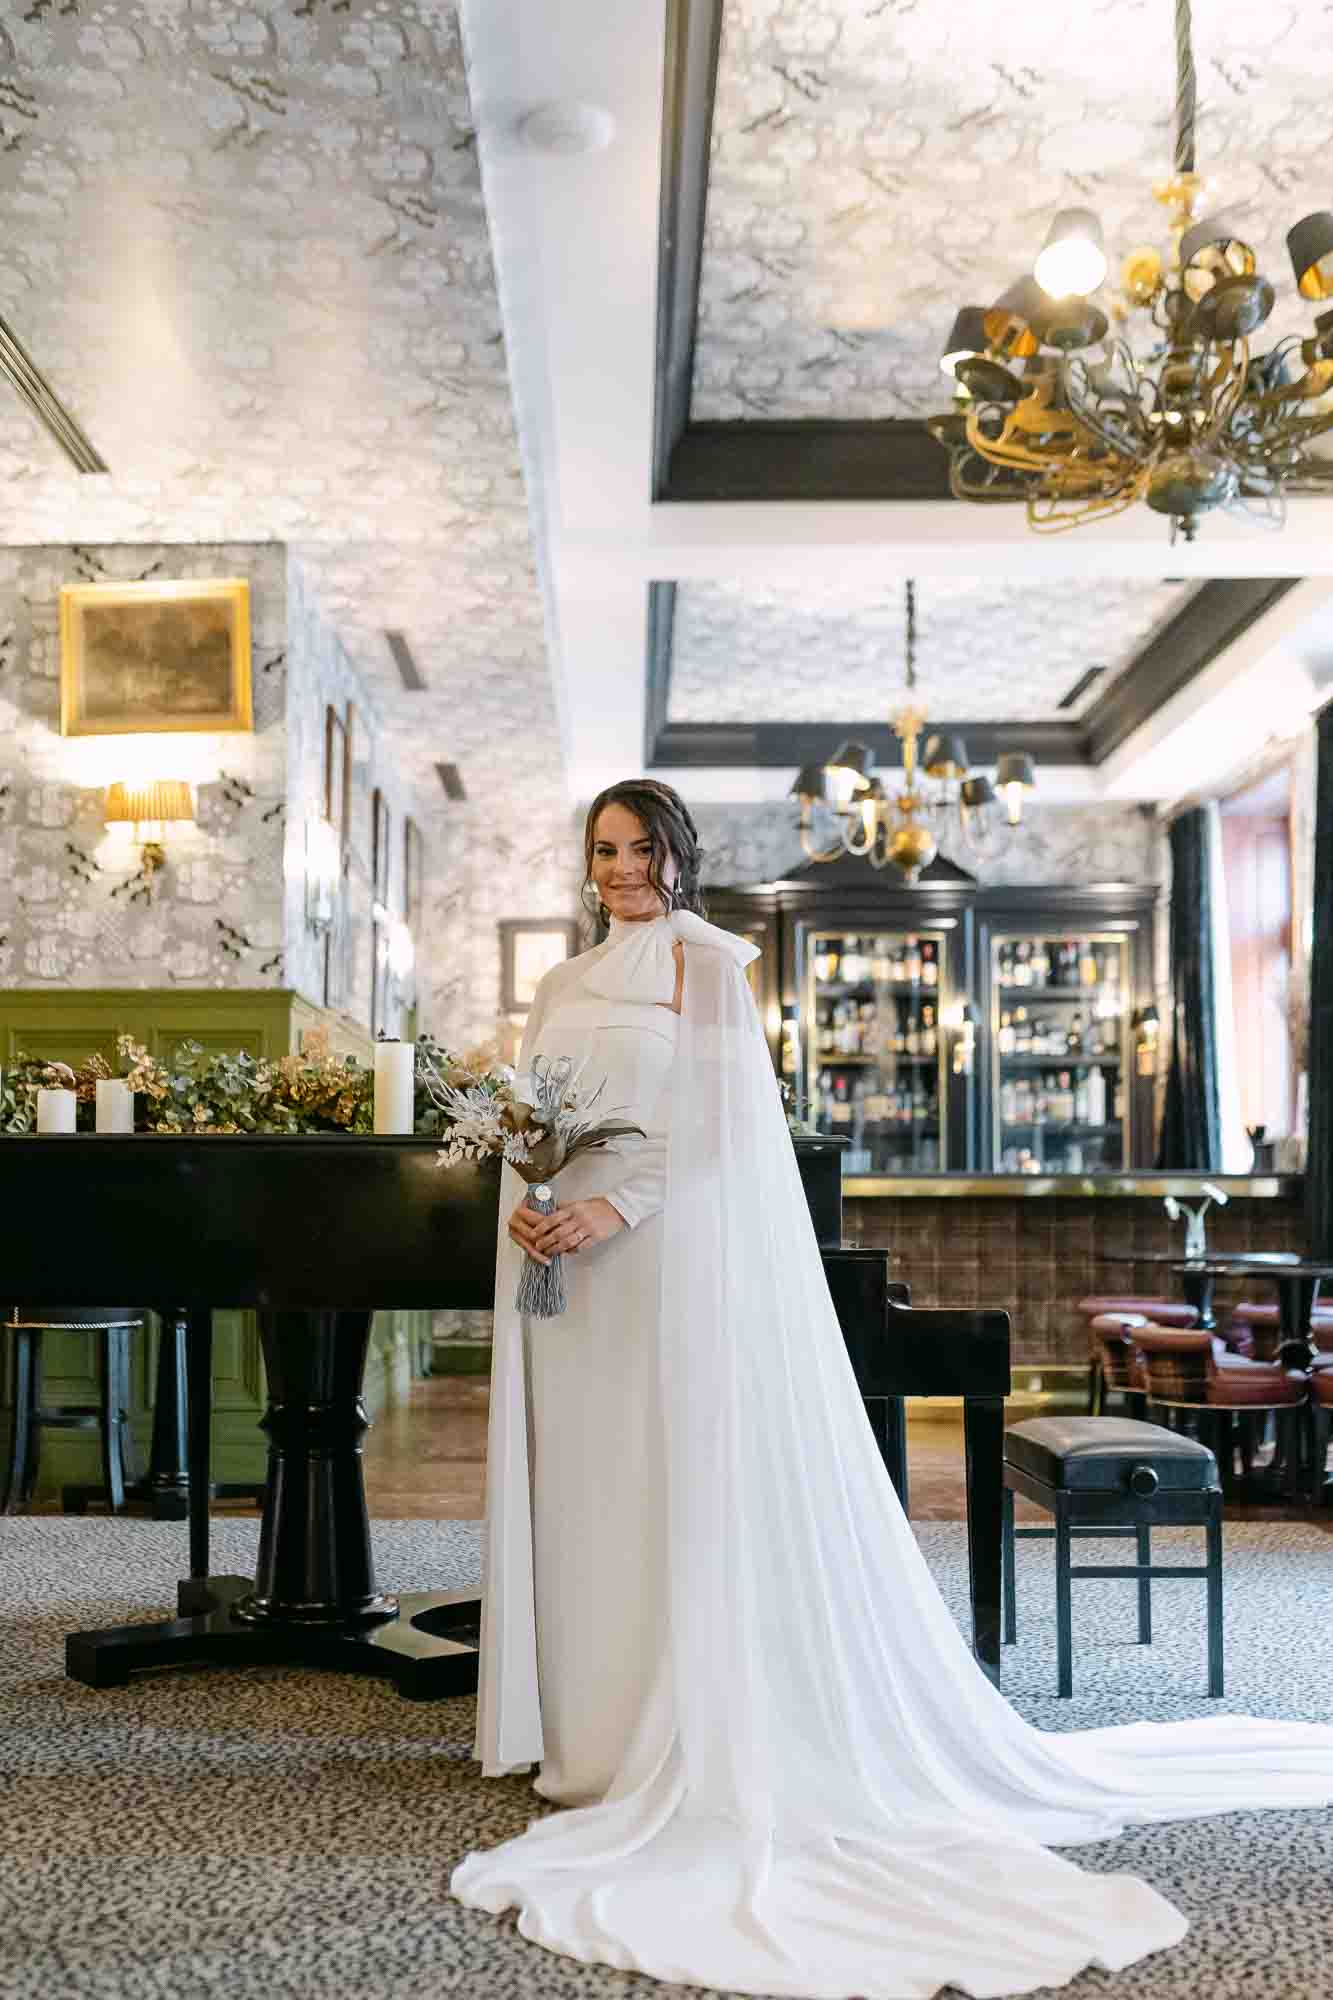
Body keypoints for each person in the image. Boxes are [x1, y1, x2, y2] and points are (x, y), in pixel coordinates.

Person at [451, 777, 1333, 1999]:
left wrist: (617, 1206)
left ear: (676, 853)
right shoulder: (558, 984)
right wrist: (536, 1202)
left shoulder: (707, 963)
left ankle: (671, 1729)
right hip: (566, 1275)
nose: (620, 867)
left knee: (665, 1480)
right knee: (586, 1485)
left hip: (658, 1262)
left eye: (641, 846)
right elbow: (527, 1122)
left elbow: (721, 1134)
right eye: (602, 847)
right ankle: (586, 1726)